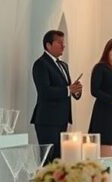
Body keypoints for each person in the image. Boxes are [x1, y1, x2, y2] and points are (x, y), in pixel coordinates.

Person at [30, 30, 82, 162]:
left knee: (59, 159)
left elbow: (67, 90)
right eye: (59, 43)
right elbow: (45, 91)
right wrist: (68, 90)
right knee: (48, 159)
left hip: (62, 119)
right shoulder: (41, 64)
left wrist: (76, 91)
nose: (63, 46)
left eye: (63, 43)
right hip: (47, 120)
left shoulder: (63, 65)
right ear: (48, 45)